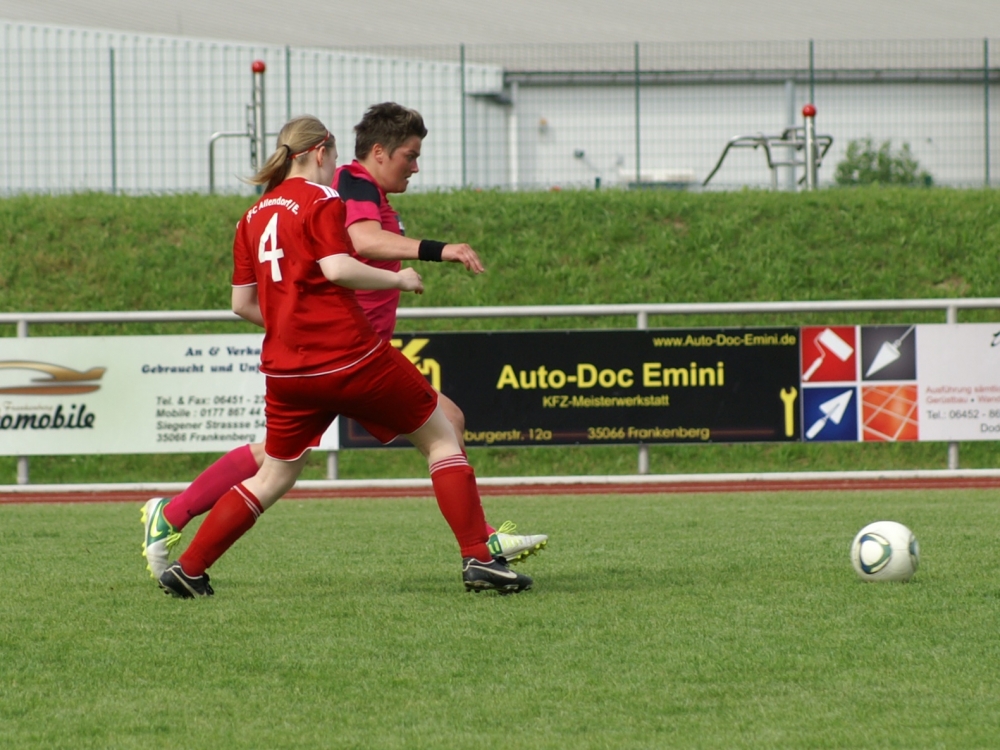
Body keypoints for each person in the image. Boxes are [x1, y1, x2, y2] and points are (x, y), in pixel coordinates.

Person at [142, 103, 547, 580]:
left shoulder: (251, 214)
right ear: (322, 152)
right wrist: (404, 275)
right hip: (349, 354)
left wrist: (293, 325)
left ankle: (186, 557)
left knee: (274, 469)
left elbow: (241, 303)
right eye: (411, 156)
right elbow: (346, 259)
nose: (415, 167)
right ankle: (479, 550)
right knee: (442, 432)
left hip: (291, 365)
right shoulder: (335, 192)